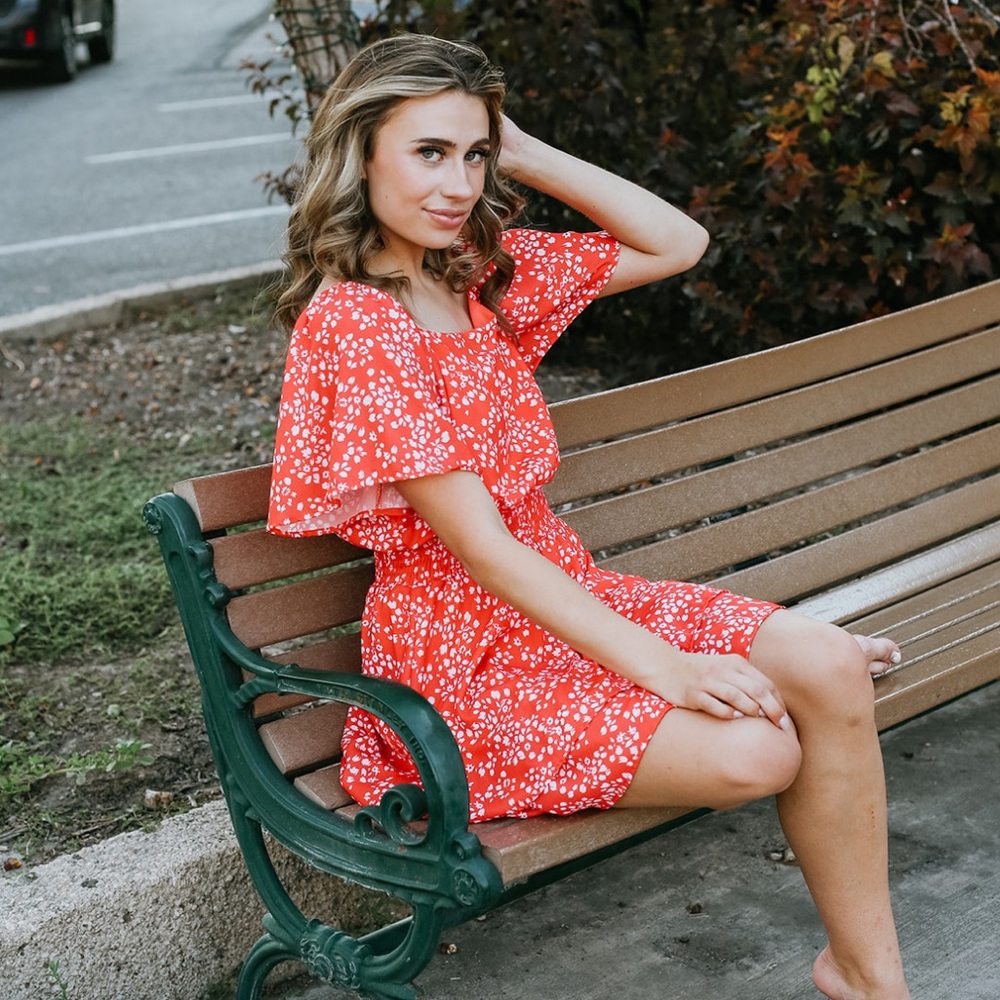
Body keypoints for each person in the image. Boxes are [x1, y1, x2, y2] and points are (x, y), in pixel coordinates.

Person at [266, 33, 911, 1000]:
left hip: (566, 597)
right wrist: (672, 669)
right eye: (429, 153)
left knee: (826, 664)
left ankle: (867, 979)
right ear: (360, 154)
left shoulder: (472, 273)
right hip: (462, 660)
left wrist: (524, 151)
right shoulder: (357, 323)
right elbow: (483, 550)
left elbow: (676, 243)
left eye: (474, 155)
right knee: (760, 750)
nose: (459, 184)